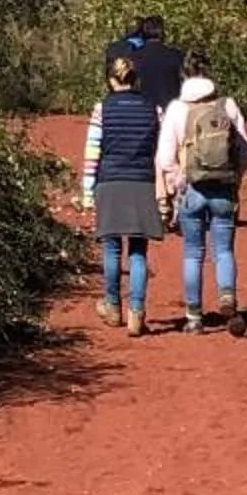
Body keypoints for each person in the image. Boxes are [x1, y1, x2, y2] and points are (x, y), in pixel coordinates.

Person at [155, 50, 247, 335]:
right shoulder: (227, 105)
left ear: (183, 75)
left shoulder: (176, 109)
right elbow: (245, 149)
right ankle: (227, 298)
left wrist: (179, 182)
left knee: (192, 253)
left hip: (192, 191)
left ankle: (194, 317)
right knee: (223, 249)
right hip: (224, 189)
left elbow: (164, 158)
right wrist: (235, 179)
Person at [79, 52, 165, 336]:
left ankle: (113, 305)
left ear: (110, 79)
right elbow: (161, 151)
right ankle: (137, 313)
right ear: (134, 78)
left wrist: (87, 190)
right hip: (142, 182)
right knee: (139, 250)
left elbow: (93, 151)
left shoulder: (102, 109)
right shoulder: (154, 109)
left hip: (110, 181)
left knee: (111, 247)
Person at [102, 14, 186, 112]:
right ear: (162, 33)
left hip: (142, 112)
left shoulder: (132, 58)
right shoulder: (177, 56)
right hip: (171, 110)